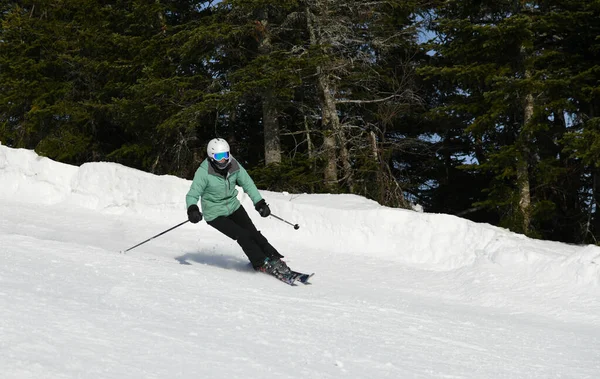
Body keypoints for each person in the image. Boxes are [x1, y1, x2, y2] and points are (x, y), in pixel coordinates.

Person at [185, 138, 291, 278]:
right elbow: (192, 194)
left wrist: (259, 203)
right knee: (243, 235)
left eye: (226, 155)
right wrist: (192, 209)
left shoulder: (233, 165)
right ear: (211, 157)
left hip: (233, 206)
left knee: (252, 232)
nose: (223, 160)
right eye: (219, 157)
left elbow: (248, 183)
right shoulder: (204, 172)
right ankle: (260, 263)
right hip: (215, 213)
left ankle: (273, 257)